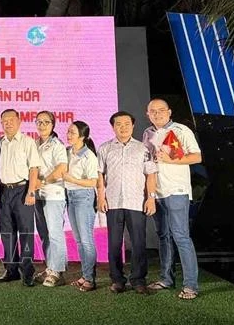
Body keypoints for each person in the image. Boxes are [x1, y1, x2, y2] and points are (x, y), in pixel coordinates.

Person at [143, 98, 202, 300]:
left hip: (177, 190)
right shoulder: (147, 133)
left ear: (169, 112)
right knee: (164, 236)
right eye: (153, 111)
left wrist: (171, 160)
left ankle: (191, 285)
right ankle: (166, 278)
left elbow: (196, 157)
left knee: (181, 237)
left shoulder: (181, 130)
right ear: (147, 114)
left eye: (161, 110)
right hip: (157, 192)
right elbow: (148, 163)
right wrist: (149, 194)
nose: (157, 114)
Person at [97, 111, 157, 294]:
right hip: (113, 202)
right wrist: (100, 196)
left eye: (126, 124)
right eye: (118, 124)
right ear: (113, 127)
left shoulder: (143, 148)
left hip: (136, 202)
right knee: (114, 243)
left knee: (139, 242)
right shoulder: (105, 148)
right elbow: (99, 174)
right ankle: (117, 279)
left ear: (133, 125)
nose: (122, 127)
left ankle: (138, 280)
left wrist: (151, 198)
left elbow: (151, 174)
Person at [0, 109, 41, 287]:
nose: (7, 123)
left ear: (19, 121)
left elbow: (34, 168)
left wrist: (31, 192)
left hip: (23, 189)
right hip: (4, 190)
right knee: (7, 232)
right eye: (4, 120)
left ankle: (28, 270)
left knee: (26, 231)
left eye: (11, 120)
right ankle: (11, 269)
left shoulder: (27, 141)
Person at [33, 111, 68, 287]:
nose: (42, 125)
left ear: (53, 125)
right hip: (38, 195)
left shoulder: (57, 144)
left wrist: (44, 181)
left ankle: (58, 271)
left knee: (55, 233)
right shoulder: (35, 143)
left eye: (46, 122)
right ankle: (50, 267)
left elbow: (62, 168)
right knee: (44, 234)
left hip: (54, 193)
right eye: (39, 122)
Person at [63, 121, 99, 291]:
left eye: (72, 132)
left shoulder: (89, 156)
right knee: (78, 241)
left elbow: (93, 181)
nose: (69, 135)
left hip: (84, 197)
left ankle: (90, 279)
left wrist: (73, 180)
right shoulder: (67, 152)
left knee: (86, 240)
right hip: (70, 196)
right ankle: (85, 275)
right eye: (68, 132)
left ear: (82, 136)